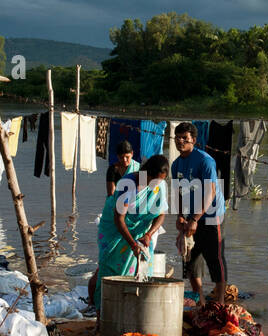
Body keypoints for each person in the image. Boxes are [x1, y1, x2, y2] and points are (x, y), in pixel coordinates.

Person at [91, 156, 169, 311]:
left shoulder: (160, 186)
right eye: (154, 180)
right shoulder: (127, 185)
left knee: (141, 270)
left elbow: (161, 214)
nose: (157, 184)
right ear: (146, 173)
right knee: (109, 269)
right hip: (115, 231)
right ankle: (102, 312)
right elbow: (119, 219)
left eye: (160, 181)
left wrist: (149, 235)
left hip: (142, 232)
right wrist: (132, 243)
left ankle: (131, 310)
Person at [170, 122, 226, 304]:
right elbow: (178, 192)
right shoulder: (176, 164)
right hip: (190, 215)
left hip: (211, 216)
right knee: (190, 260)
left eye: (184, 138)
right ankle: (200, 301)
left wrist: (195, 218)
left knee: (214, 258)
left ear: (193, 140)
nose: (180, 141)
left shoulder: (205, 160)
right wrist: (179, 215)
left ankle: (220, 301)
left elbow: (211, 192)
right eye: (177, 138)